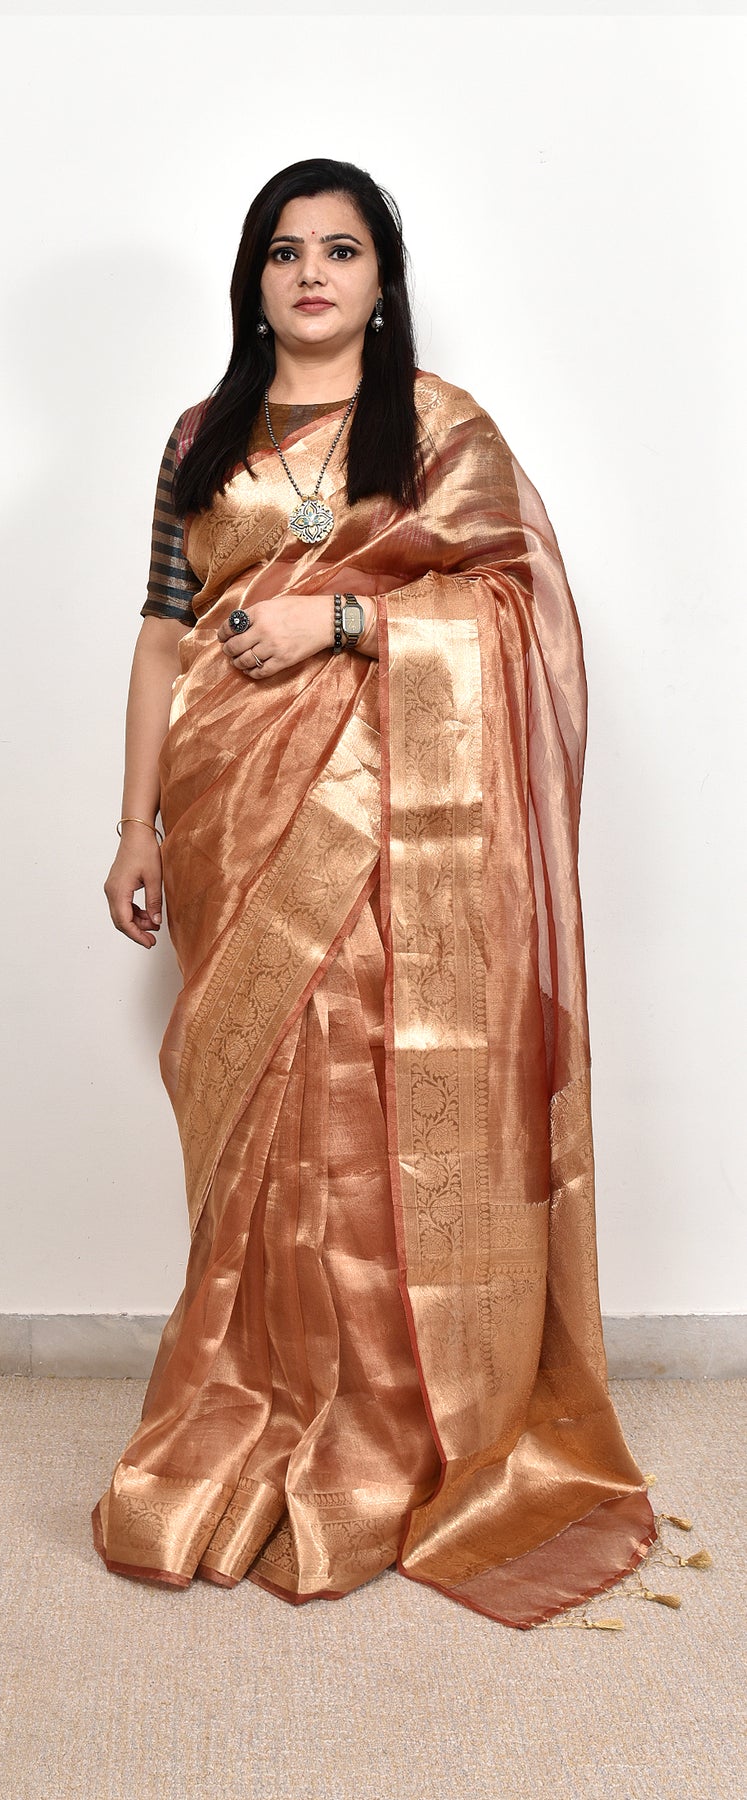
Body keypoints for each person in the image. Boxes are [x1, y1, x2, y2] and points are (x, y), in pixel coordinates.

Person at [91, 157, 660, 1630]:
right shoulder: (199, 439)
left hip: (389, 825)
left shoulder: (440, 430)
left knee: (364, 1095)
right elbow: (161, 638)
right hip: (229, 808)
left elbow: (520, 608)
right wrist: (135, 823)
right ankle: (255, 1392)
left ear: (383, 282)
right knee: (261, 1123)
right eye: (285, 252)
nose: (312, 275)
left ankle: (390, 1426)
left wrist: (342, 617)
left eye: (341, 251)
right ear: (254, 281)